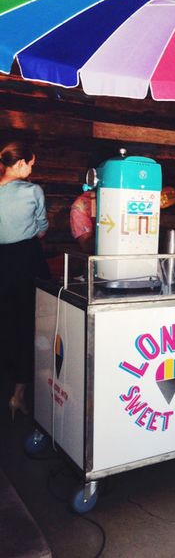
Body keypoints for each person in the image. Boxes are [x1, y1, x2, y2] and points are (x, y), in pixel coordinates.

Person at [0, 141, 49, 419]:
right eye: (30, 163)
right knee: (28, 326)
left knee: (5, 322)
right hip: (26, 261)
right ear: (19, 164)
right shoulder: (32, 191)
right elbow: (41, 228)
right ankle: (19, 395)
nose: (32, 167)